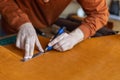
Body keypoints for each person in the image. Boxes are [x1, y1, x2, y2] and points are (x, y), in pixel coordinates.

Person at [0, 0, 109, 60]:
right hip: (11, 29)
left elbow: (100, 13)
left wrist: (74, 37)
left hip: (45, 31)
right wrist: (22, 23)